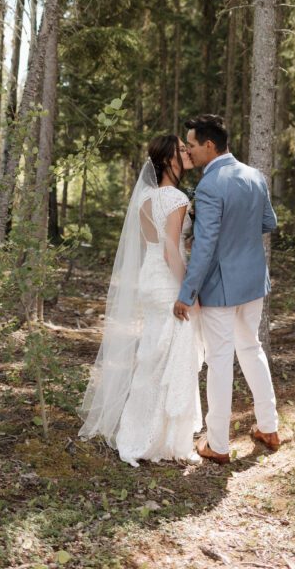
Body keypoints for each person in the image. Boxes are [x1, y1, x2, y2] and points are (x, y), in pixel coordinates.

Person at [78, 135, 203, 467]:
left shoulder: (146, 197)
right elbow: (171, 250)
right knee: (173, 357)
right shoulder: (175, 198)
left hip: (150, 279)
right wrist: (189, 292)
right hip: (166, 280)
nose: (188, 152)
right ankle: (160, 440)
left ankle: (142, 431)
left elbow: (154, 244)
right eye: (181, 149)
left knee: (152, 357)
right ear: (167, 160)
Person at [174, 114, 280, 464]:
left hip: (220, 286)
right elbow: (269, 222)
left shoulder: (209, 186)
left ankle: (217, 444)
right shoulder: (255, 176)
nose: (188, 150)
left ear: (209, 145)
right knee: (251, 349)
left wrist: (186, 293)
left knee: (220, 361)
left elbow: (203, 247)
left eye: (191, 144)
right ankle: (269, 426)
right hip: (253, 282)